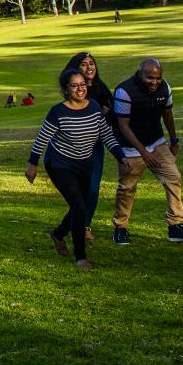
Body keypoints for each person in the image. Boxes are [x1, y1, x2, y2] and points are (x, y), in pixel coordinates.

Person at [25, 67, 126, 269]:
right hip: (60, 164)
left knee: (81, 204)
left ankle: (58, 233)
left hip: (84, 163)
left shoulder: (95, 107)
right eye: (74, 86)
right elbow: (42, 139)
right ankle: (80, 256)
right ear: (65, 89)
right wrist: (32, 165)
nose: (80, 89)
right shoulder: (58, 111)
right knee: (80, 207)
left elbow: (105, 134)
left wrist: (121, 157)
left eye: (82, 85)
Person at [111, 58, 183, 244]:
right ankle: (120, 227)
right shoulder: (124, 91)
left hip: (157, 142)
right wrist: (144, 153)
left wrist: (174, 140)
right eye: (150, 77)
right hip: (130, 147)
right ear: (140, 73)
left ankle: (175, 225)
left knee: (173, 176)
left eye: (157, 78)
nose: (154, 82)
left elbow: (167, 114)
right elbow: (123, 126)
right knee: (127, 188)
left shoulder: (165, 88)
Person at [67, 51, 113, 242]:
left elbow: (112, 117)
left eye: (92, 63)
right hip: (75, 146)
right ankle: (74, 225)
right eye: (84, 64)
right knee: (78, 190)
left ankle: (84, 225)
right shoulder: (74, 90)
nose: (89, 67)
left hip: (96, 147)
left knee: (92, 188)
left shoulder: (102, 89)